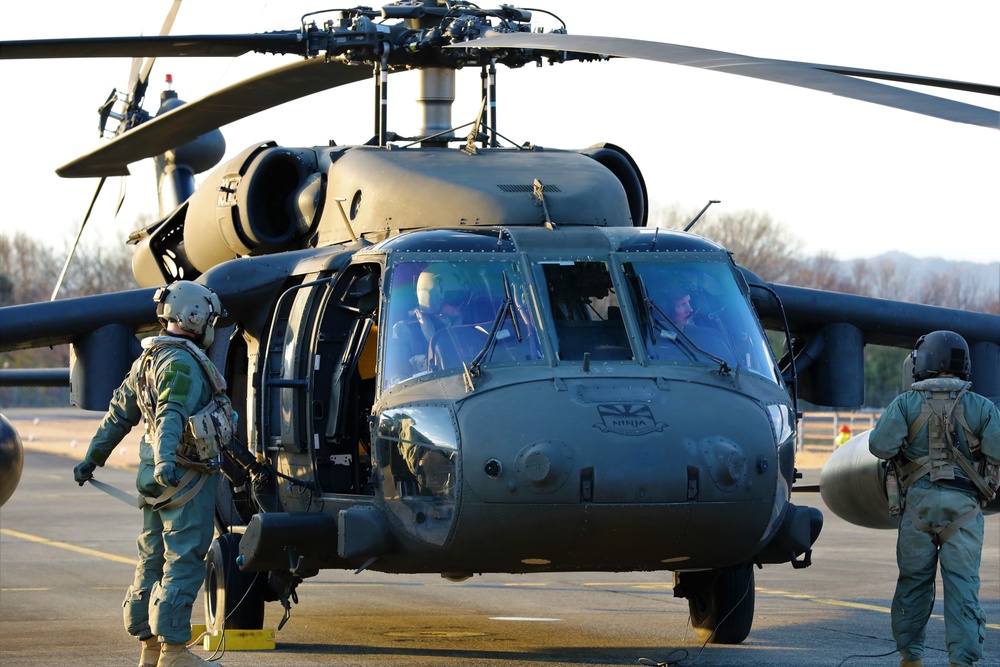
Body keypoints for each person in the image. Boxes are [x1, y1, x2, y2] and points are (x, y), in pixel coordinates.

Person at [73, 281, 229, 667]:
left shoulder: (146, 360)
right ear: (195, 316)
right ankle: (175, 651)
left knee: (152, 559)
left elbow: (118, 415)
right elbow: (171, 415)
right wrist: (166, 463)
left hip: (152, 480)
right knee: (184, 558)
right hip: (183, 477)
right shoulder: (180, 363)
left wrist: (93, 458)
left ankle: (149, 648)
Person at [869, 330, 1000, 667]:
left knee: (913, 584)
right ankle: (962, 661)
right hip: (965, 512)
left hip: (917, 508)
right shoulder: (981, 406)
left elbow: (880, 447)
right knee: (963, 587)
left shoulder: (904, 404)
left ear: (922, 362)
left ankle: (911, 658)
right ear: (963, 364)